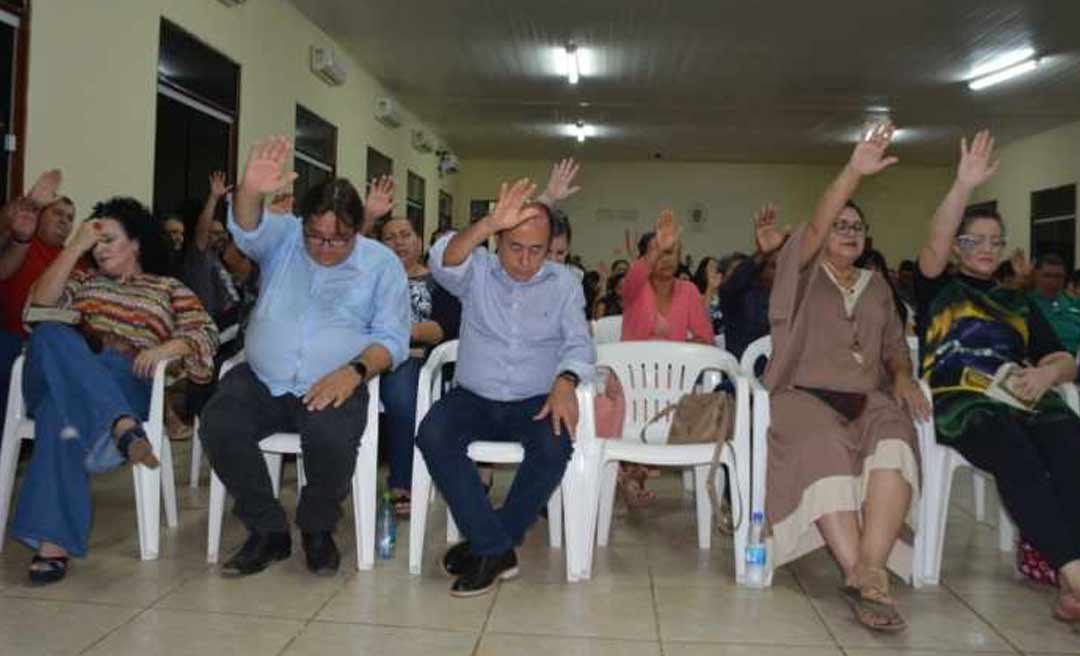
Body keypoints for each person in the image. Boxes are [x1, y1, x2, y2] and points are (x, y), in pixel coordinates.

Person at [199, 136, 409, 578]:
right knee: (220, 422)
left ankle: (317, 528)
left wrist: (354, 371)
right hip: (263, 377)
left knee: (330, 437)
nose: (325, 247)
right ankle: (267, 529)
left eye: (339, 239)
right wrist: (249, 190)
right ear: (303, 225)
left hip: (335, 379)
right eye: (316, 237)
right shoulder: (285, 238)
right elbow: (247, 228)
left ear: (358, 228)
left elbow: (392, 339)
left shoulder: (381, 264)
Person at [916, 130, 1080, 627]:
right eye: (974, 240)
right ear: (958, 247)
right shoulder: (938, 287)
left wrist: (1047, 372)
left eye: (994, 241)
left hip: (1024, 397)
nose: (986, 248)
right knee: (1014, 447)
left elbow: (1066, 360)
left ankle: (1071, 577)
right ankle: (1073, 574)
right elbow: (933, 245)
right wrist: (963, 185)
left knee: (1069, 438)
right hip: (964, 404)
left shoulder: (1019, 301)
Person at [764, 122, 923, 632]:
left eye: (857, 226)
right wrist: (854, 171)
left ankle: (868, 568)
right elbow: (815, 226)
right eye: (841, 224)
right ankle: (865, 578)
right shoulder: (802, 271)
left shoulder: (878, 286)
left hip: (867, 397)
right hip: (802, 396)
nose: (849, 231)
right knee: (824, 445)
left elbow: (895, 347)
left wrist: (903, 376)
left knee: (897, 435)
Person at [12, 196, 218, 585]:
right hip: (60, 366)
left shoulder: (167, 288)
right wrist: (75, 248)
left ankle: (52, 545)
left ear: (136, 242)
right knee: (50, 330)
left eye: (108, 240)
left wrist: (162, 350)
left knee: (60, 412)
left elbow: (204, 333)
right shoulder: (81, 280)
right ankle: (119, 424)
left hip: (123, 379)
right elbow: (34, 310)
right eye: (94, 242)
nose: (99, 249)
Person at [416, 179, 594, 597]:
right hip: (473, 397)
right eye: (515, 248)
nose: (525, 260)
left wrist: (566, 380)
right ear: (498, 241)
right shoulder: (477, 270)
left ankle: (488, 544)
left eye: (537, 250)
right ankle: (495, 547)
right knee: (433, 433)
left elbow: (579, 343)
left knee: (555, 445)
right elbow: (442, 260)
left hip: (534, 399)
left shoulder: (564, 283)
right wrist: (487, 223)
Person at [617, 211, 714, 504]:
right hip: (630, 384)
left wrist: (675, 351)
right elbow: (633, 278)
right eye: (659, 252)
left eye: (672, 252)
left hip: (672, 385)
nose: (666, 258)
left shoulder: (689, 291)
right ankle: (631, 471)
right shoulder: (635, 288)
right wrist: (657, 247)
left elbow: (706, 339)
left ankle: (634, 473)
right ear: (646, 258)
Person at [377, 214, 461, 516]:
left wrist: (396, 335)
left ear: (419, 241)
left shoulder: (439, 281)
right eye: (389, 237)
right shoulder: (372, 279)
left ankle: (402, 481)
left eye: (405, 235)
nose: (398, 242)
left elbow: (441, 329)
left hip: (418, 362)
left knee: (402, 390)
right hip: (374, 358)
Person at [0, 171, 73, 436]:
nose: (64, 221)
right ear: (39, 215)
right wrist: (26, 207)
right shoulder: (21, 242)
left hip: (51, 345)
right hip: (12, 339)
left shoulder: (73, 258)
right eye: (58, 213)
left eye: (70, 218)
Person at [718, 206, 778, 359]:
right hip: (743, 371)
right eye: (772, 266)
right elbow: (736, 282)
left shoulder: (786, 295)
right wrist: (761, 253)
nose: (778, 271)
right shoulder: (737, 296)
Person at [1028, 253, 1080, 354]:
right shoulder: (1026, 303)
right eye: (1047, 276)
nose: (1053, 281)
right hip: (1048, 358)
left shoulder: (1073, 302)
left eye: (1058, 276)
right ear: (1035, 276)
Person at [693, 256, 724, 337]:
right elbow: (702, 322)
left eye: (718, 267)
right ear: (704, 272)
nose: (716, 270)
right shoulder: (695, 295)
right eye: (712, 267)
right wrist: (710, 289)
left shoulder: (726, 295)